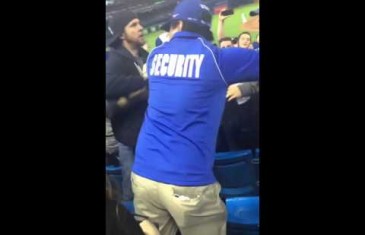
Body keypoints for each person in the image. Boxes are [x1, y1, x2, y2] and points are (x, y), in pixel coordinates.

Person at [131, 0, 259, 235]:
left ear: (177, 24)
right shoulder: (216, 58)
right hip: (188, 181)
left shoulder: (155, 56)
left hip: (143, 174)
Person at [106, 10, 149, 201]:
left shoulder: (146, 55)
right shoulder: (113, 58)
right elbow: (108, 85)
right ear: (121, 33)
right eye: (133, 24)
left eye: (139, 23)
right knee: (134, 192)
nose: (140, 27)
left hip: (151, 135)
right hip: (130, 139)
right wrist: (143, 82)